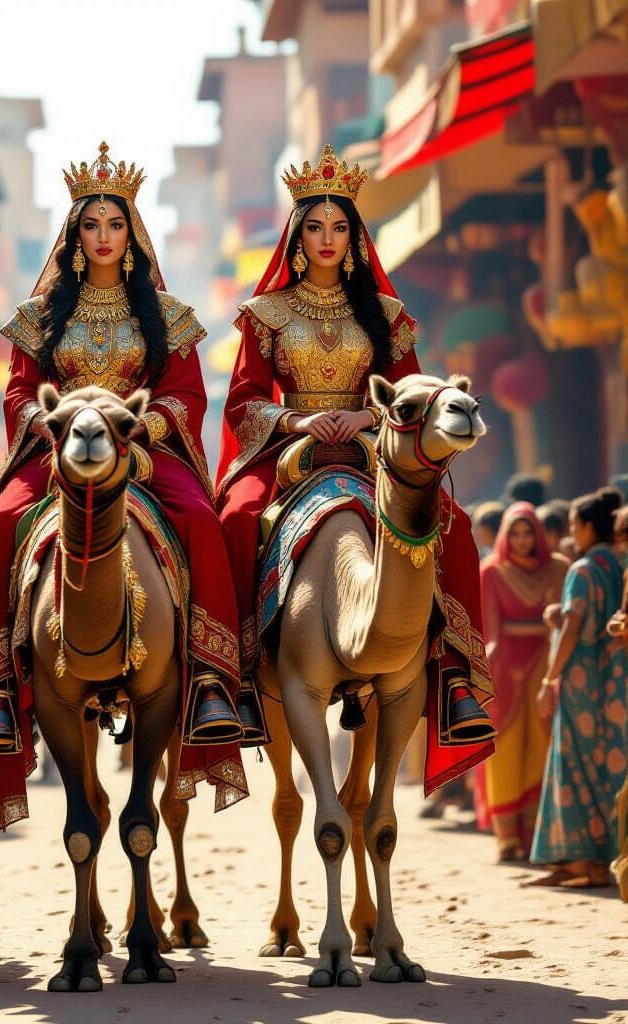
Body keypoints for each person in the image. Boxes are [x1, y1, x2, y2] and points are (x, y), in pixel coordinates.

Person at [0, 141, 247, 829]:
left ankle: (210, 681)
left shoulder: (169, 315)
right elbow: (19, 392)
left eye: (114, 226)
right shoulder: (39, 317)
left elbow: (183, 396)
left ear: (133, 233)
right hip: (60, 448)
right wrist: (50, 424)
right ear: (73, 235)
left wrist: (139, 433)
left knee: (205, 522)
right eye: (90, 226)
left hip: (139, 448)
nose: (102, 238)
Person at [216, 144, 495, 796]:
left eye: (339, 228)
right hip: (291, 454)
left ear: (354, 236)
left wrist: (370, 420)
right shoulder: (266, 317)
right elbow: (243, 401)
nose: (326, 239)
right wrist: (299, 422)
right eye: (314, 228)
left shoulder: (387, 317)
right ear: (296, 235)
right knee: (230, 517)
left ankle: (453, 678)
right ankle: (228, 680)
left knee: (452, 525)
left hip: (374, 452)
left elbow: (415, 390)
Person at [530, 488, 628, 887]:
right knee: (611, 768)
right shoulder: (619, 564)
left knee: (571, 765)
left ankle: (580, 859)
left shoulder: (583, 570)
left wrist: (550, 678)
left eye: (574, 526)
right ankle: (608, 856)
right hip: (616, 681)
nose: (572, 533)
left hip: (580, 679)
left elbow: (572, 626)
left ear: (588, 527)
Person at [477, 503, 568, 861]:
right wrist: (489, 658)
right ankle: (507, 840)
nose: (521, 540)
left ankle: (535, 838)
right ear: (504, 536)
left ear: (538, 534)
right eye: (514, 533)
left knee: (540, 749)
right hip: (505, 670)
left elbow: (561, 625)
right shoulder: (492, 572)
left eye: (527, 532)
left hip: (546, 666)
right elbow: (491, 630)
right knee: (504, 750)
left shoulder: (558, 568)